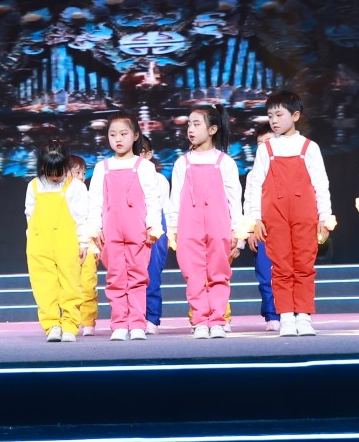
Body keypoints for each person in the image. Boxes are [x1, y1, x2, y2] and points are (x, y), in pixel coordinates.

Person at [246, 91, 335, 336]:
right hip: (274, 216)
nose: (274, 120)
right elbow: (255, 185)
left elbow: (321, 184)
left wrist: (324, 218)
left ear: (295, 116)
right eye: (270, 116)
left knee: (304, 264)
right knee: (281, 266)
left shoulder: (309, 147)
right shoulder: (266, 150)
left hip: (305, 214)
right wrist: (255, 219)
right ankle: (285, 315)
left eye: (279, 115)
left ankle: (303, 315)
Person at [87, 115, 167, 341]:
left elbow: (152, 199)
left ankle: (138, 323)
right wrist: (94, 228)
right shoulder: (102, 168)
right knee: (115, 277)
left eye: (123, 134)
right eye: (113, 135)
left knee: (138, 276)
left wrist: (153, 227)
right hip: (111, 230)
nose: (118, 139)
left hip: (137, 230)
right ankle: (119, 323)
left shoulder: (144, 167)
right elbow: (95, 201)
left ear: (135, 136)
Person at [169, 104, 244, 339]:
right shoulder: (182, 163)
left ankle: (218, 320)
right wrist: (173, 229)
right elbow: (175, 198)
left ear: (212, 129)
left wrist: (238, 233)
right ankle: (200, 320)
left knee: (219, 273)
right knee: (194, 275)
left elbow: (235, 199)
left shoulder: (225, 162)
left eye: (196, 124)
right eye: (189, 124)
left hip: (219, 225)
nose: (190, 129)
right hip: (188, 227)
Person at [24, 141, 88, 342]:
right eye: (50, 172)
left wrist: (83, 243)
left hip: (66, 241)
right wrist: (32, 239)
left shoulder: (75, 187)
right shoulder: (34, 186)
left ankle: (69, 325)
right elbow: (29, 214)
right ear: (42, 167)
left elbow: (82, 217)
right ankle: (52, 325)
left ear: (66, 167)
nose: (54, 177)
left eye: (59, 172)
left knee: (70, 284)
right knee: (44, 285)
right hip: (39, 242)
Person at [137, 134, 172, 335]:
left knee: (152, 275)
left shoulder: (159, 179)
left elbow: (166, 207)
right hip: (131, 226)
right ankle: (133, 317)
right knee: (130, 275)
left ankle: (151, 318)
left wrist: (169, 234)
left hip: (157, 227)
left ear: (149, 154)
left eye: (139, 152)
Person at [248, 131, 280, 332]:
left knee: (288, 271)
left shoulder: (285, 166)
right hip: (262, 229)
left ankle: (293, 312)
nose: (263, 147)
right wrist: (250, 230)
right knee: (265, 274)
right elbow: (248, 202)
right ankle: (272, 314)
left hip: (285, 226)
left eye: (267, 142)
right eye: (259, 143)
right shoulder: (253, 175)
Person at [67, 152, 100, 336]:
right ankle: (71, 320)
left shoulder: (88, 195)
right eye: (77, 173)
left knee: (88, 285)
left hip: (87, 246)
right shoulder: (61, 195)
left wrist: (94, 245)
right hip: (67, 246)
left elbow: (92, 220)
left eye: (83, 173)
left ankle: (88, 321)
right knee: (69, 286)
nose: (81, 177)